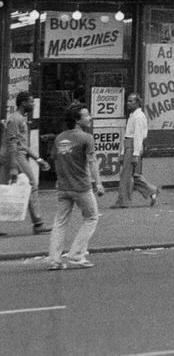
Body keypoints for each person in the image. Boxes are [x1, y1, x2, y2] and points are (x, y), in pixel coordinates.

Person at [45, 103, 103, 269]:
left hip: (63, 187)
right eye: (87, 115)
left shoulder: (59, 138)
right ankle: (76, 254)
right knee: (91, 217)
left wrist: (60, 179)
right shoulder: (86, 138)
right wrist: (98, 183)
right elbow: (92, 162)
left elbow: (55, 159)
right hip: (81, 186)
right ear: (78, 120)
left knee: (60, 222)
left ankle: (55, 260)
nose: (90, 117)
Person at [2, 91, 51, 234]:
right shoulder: (15, 119)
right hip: (16, 156)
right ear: (23, 103)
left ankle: (38, 222)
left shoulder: (19, 119)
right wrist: (13, 167)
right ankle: (38, 223)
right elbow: (13, 143)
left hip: (16, 155)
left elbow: (20, 143)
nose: (33, 104)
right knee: (32, 185)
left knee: (3, 189)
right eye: (31, 102)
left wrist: (37, 158)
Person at [113, 93, 159, 209]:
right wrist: (123, 152)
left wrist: (135, 154)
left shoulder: (139, 116)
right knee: (132, 174)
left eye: (131, 101)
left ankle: (124, 201)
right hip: (129, 145)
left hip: (134, 146)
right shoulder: (132, 116)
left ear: (137, 102)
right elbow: (127, 135)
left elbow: (138, 135)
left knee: (126, 174)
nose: (128, 103)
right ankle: (151, 191)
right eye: (128, 101)